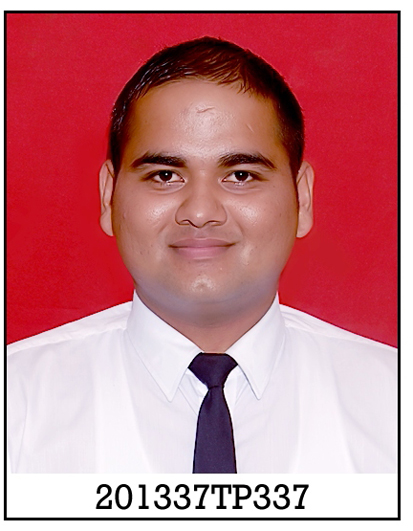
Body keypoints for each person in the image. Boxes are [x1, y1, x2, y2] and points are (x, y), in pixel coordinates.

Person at [7, 37, 397, 473]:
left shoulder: (394, 406)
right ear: (109, 195)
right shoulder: (17, 403)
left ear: (302, 199)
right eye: (165, 175)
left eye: (241, 175)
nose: (199, 212)